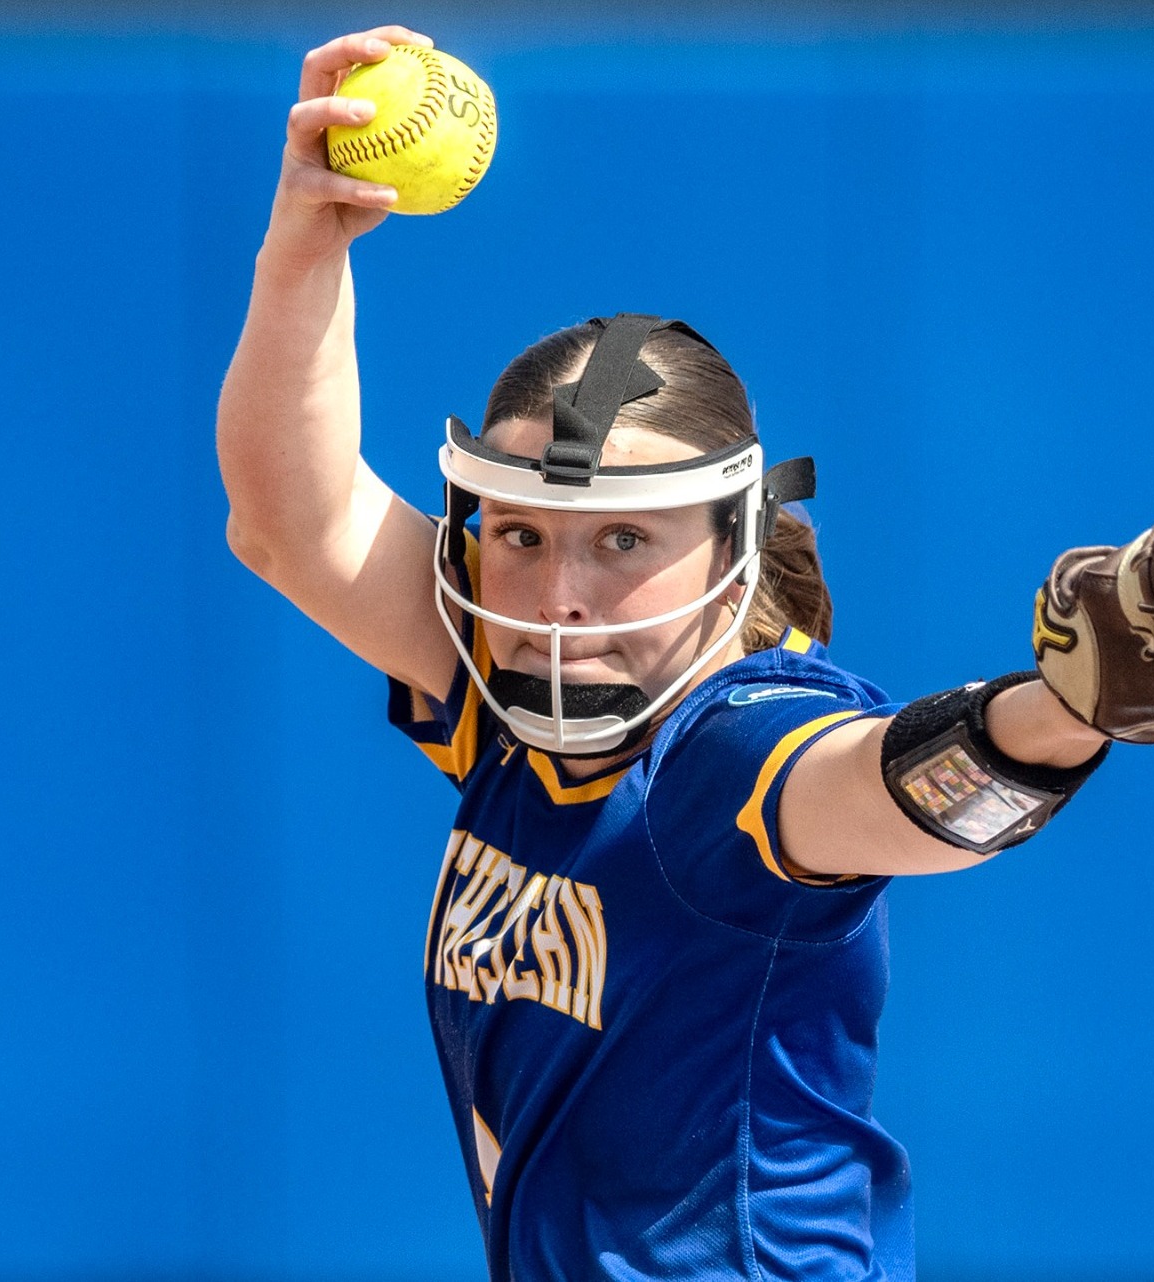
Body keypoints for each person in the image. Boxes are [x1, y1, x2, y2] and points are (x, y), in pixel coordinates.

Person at [217, 27, 1108, 1280]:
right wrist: (304, 242)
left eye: (624, 537)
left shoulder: (730, 743)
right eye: (519, 532)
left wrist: (1073, 705)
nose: (558, 594)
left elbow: (887, 790)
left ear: (734, 542)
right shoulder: (508, 705)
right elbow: (285, 524)